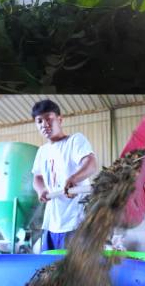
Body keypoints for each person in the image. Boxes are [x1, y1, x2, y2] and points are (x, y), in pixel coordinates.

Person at [30, 99, 98, 251]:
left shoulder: (74, 141)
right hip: (52, 222)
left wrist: (74, 178)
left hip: (76, 221)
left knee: (76, 269)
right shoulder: (42, 151)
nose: (44, 125)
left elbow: (91, 163)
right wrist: (41, 190)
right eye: (39, 121)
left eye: (49, 119)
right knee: (49, 269)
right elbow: (37, 178)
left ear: (59, 119)